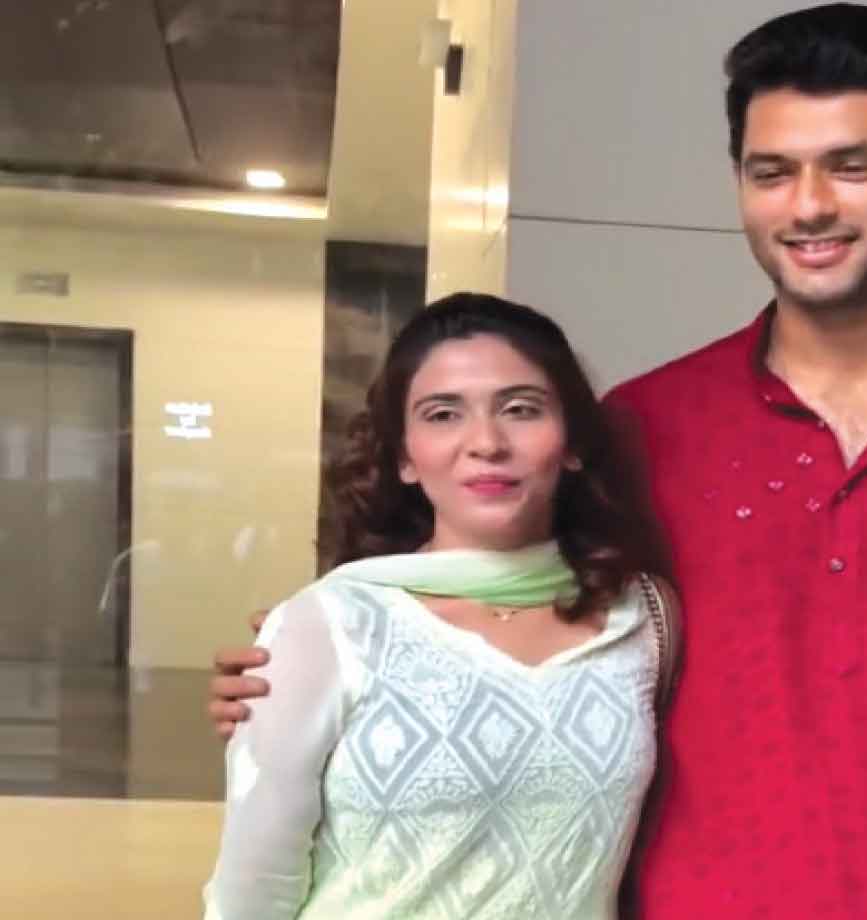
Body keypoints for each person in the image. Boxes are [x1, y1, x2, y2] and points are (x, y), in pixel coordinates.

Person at [210, 6, 867, 918]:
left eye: (851, 166)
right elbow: (504, 592)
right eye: (772, 172)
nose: (809, 206)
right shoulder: (648, 424)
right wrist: (306, 673)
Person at [202, 292, 678, 920]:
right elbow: (252, 891)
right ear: (404, 456)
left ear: (572, 443)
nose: (486, 442)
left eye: (521, 409)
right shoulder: (330, 625)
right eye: (443, 414)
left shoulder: (643, 618)